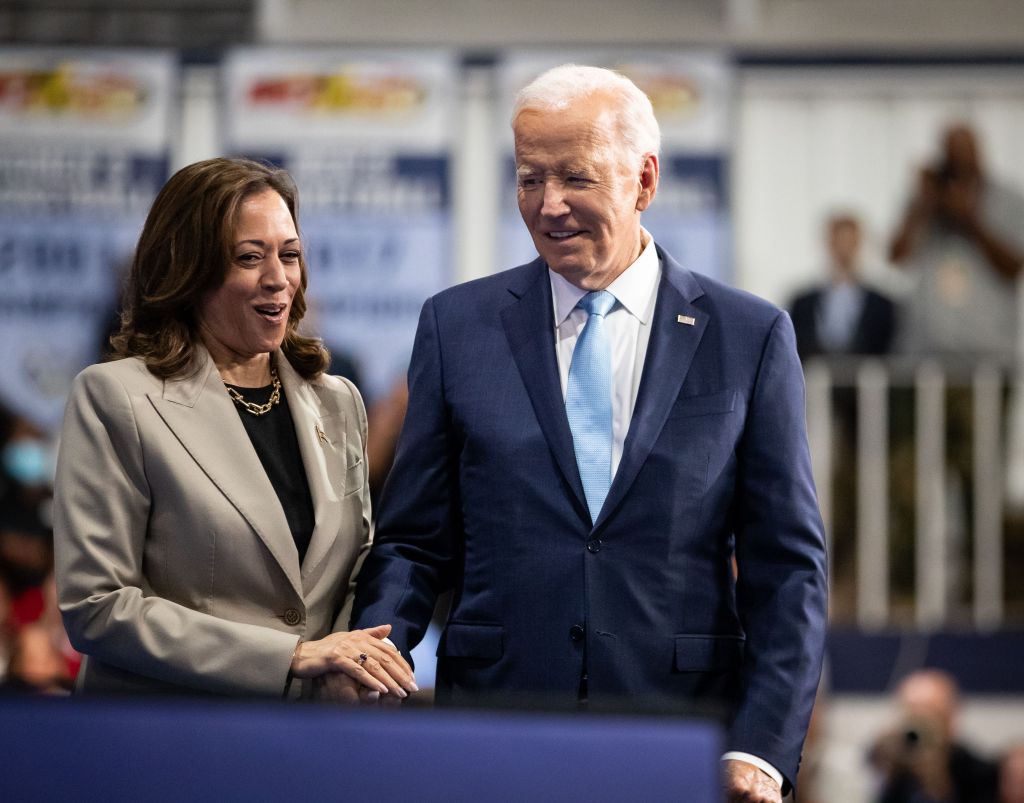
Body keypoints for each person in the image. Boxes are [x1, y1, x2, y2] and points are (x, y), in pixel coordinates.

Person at [351, 64, 828, 802]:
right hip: (493, 733)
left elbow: (788, 571)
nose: (549, 206)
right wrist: (376, 653)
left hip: (683, 739)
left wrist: (762, 748)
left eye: (576, 177)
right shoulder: (456, 327)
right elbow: (413, 540)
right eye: (529, 178)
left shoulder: (750, 336)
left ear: (644, 181)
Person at [54, 157, 416, 701]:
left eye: (289, 255)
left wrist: (348, 661)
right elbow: (98, 607)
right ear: (189, 270)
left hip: (310, 742)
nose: (278, 279)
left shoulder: (337, 401)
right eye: (250, 257)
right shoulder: (117, 398)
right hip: (165, 740)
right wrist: (290, 658)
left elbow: (358, 568)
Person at [889, 123, 1024, 364]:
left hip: (989, 356)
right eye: (952, 155)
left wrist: (970, 220)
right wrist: (925, 203)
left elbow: (1014, 266)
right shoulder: (926, 202)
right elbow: (896, 256)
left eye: (964, 153)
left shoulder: (1007, 199)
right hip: (926, 356)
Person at [869, 669, 998, 803]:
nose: (920, 721)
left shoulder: (978, 773)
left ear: (951, 716)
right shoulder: (892, 764)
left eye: (931, 711)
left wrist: (937, 780)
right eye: (912, 710)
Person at [790, 213, 896, 361]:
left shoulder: (882, 305)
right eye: (838, 242)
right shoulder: (802, 304)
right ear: (829, 244)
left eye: (850, 242)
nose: (844, 250)